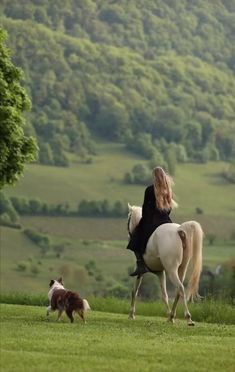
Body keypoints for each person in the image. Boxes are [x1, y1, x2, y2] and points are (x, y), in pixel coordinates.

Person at [127, 166, 178, 276]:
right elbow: (169, 208)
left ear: (155, 176)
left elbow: (145, 207)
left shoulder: (150, 189)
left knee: (136, 236)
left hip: (151, 220)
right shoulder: (168, 190)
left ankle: (140, 264)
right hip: (166, 219)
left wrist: (145, 219)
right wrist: (164, 217)